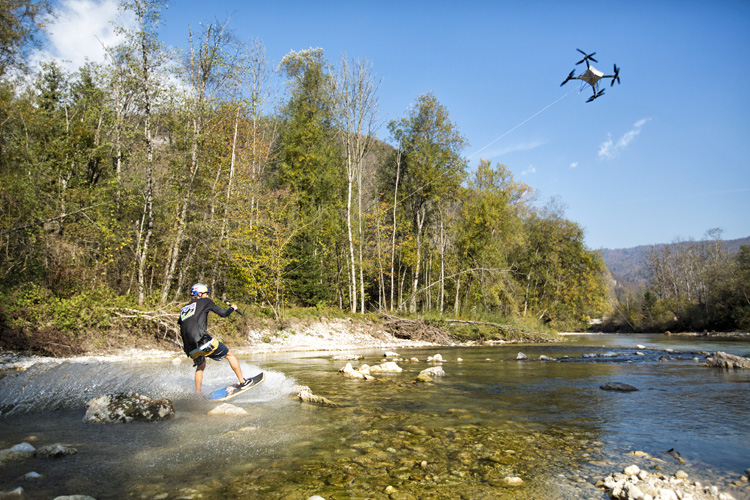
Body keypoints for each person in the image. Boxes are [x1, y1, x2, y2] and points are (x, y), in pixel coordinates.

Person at [178, 283, 247, 394]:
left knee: (200, 365)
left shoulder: (185, 308)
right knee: (229, 354)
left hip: (189, 348)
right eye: (206, 293)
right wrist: (232, 308)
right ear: (199, 294)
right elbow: (223, 314)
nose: (208, 296)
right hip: (202, 341)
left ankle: (198, 393)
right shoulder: (206, 301)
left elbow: (184, 324)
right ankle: (243, 382)